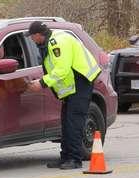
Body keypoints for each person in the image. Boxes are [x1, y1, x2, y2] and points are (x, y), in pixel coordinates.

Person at [26, 21, 101, 169]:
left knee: (74, 121)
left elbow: (62, 69)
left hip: (81, 80)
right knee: (66, 120)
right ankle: (65, 157)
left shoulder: (56, 43)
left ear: (38, 35)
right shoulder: (50, 41)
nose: (31, 40)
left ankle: (74, 159)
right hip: (73, 83)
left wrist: (41, 83)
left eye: (31, 37)